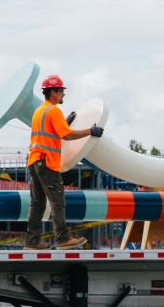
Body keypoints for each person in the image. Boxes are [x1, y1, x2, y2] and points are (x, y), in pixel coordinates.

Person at [24, 75, 104, 250]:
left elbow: (51, 133)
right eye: (61, 91)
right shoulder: (53, 111)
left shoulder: (39, 111)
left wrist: (65, 122)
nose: (63, 95)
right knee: (57, 201)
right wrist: (90, 131)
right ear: (53, 92)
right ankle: (63, 239)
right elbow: (66, 135)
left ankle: (32, 241)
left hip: (34, 160)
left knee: (37, 203)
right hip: (47, 162)